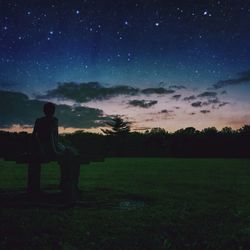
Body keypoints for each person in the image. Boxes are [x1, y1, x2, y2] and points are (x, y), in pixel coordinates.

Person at [28, 102, 80, 201]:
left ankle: (67, 185)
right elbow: (52, 137)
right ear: (53, 111)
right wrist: (55, 151)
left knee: (71, 153)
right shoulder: (53, 120)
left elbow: (34, 136)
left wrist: (36, 149)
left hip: (44, 148)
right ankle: (70, 186)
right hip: (51, 148)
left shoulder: (38, 120)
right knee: (73, 156)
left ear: (44, 110)